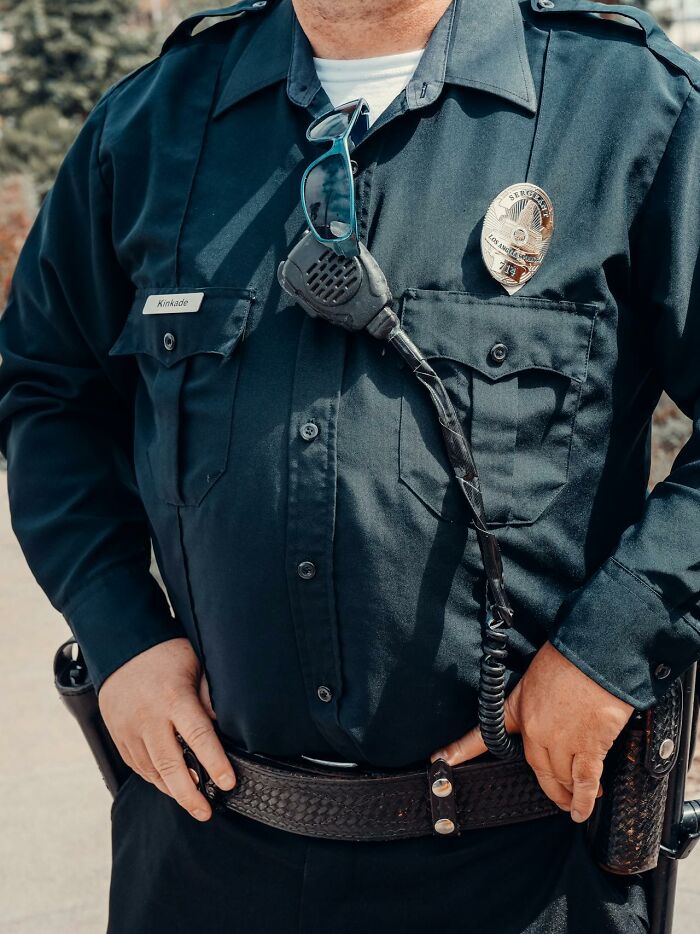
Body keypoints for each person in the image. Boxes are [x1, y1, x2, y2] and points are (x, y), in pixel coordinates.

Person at [1, 0, 699, 930]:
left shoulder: (629, 106)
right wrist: (119, 630)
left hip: (522, 868)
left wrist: (610, 653)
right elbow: (46, 391)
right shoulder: (152, 125)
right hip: (209, 853)